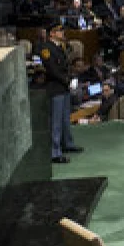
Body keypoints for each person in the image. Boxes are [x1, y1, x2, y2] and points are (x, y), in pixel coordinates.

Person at [39, 22, 83, 163]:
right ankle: (55, 152)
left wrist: (69, 79)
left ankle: (67, 144)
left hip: (63, 87)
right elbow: (52, 69)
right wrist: (66, 80)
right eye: (59, 31)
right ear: (52, 33)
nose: (62, 33)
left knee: (65, 118)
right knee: (56, 122)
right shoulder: (46, 48)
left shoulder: (60, 47)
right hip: (55, 87)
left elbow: (65, 66)